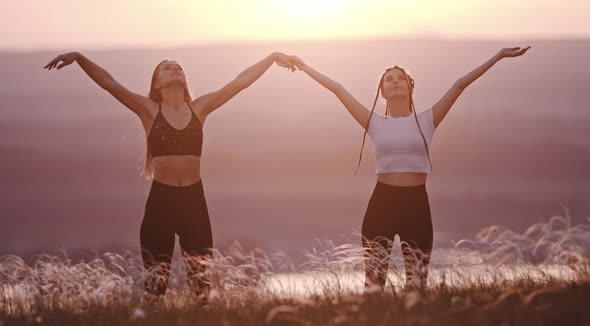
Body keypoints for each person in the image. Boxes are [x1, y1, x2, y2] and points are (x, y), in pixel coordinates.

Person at [44, 51, 302, 298]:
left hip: (194, 202)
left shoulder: (199, 109)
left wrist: (271, 58)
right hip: (161, 203)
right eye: (167, 67)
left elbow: (239, 83)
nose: (174, 68)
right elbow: (109, 83)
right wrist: (79, 58)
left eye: (178, 66)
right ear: (157, 83)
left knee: (202, 287)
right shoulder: (149, 110)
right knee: (156, 287)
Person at [293, 46, 531, 290]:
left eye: (401, 78)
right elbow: (338, 89)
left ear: (410, 87)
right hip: (381, 204)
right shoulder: (374, 123)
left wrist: (498, 56)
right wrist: (303, 65)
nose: (395, 82)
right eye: (389, 80)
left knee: (416, 285)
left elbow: (460, 84)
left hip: (416, 205)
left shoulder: (428, 120)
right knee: (374, 284)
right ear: (382, 92)